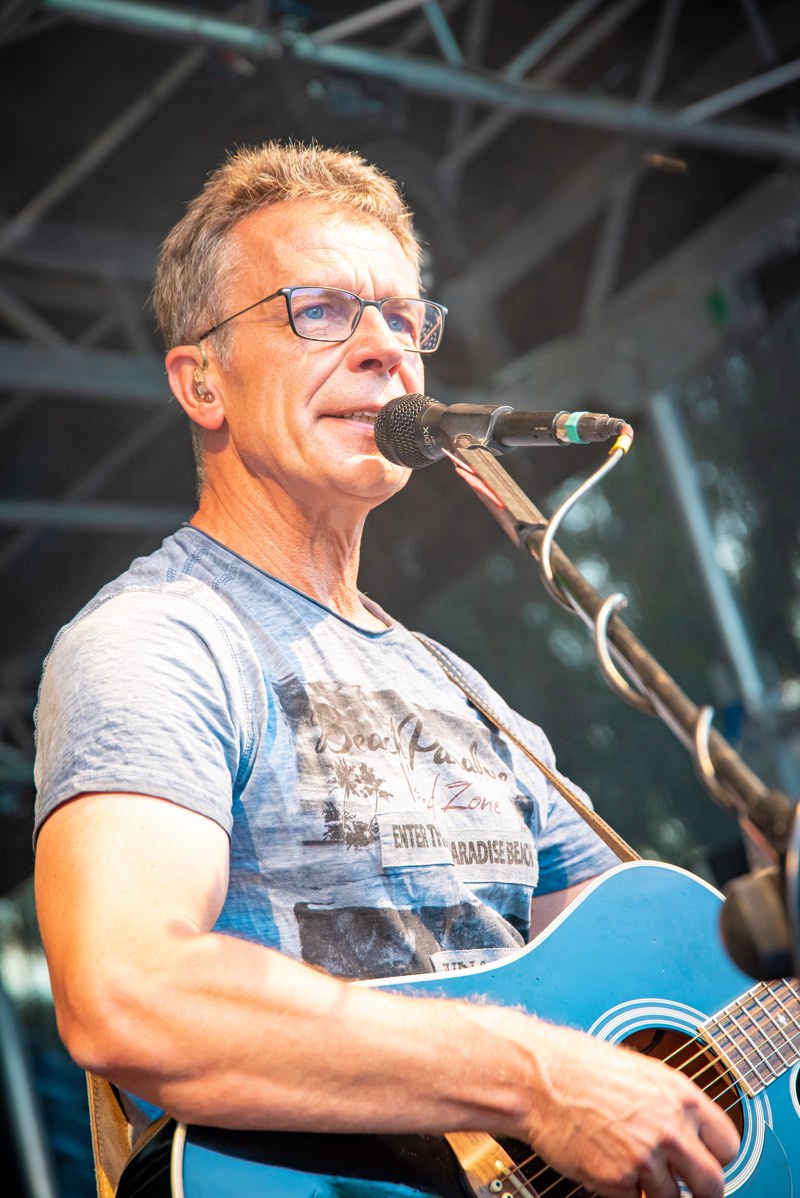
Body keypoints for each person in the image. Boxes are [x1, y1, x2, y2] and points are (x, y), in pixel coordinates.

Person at [33, 141, 738, 1198]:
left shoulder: (463, 693)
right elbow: (128, 993)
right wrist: (530, 1078)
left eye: (403, 319)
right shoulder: (158, 640)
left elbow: (653, 973)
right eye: (318, 310)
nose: (382, 350)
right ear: (202, 382)